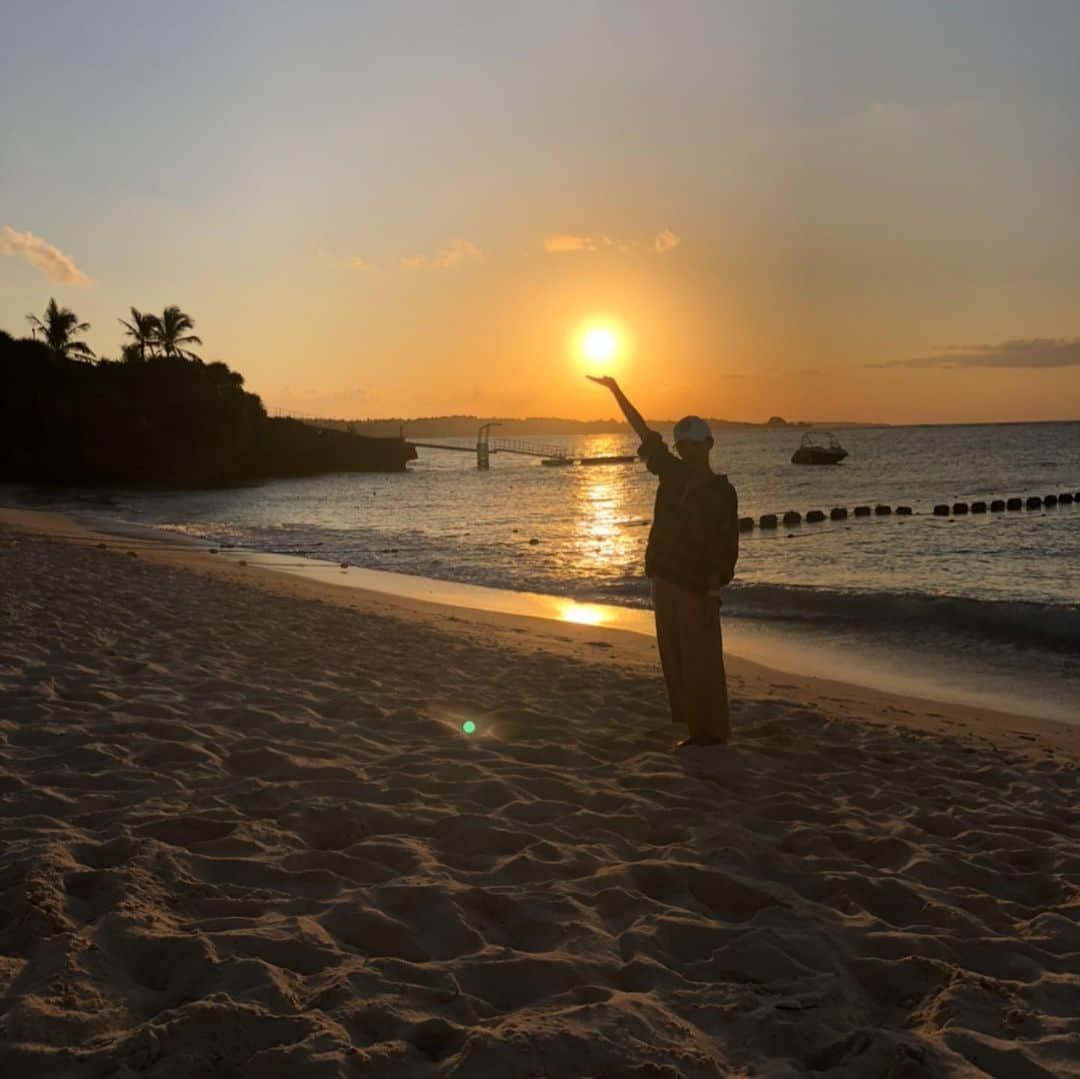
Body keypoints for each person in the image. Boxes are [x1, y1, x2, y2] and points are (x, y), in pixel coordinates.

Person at [588, 376, 738, 746]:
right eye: (683, 444)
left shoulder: (721, 491)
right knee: (676, 661)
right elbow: (644, 434)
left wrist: (715, 587)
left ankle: (714, 732)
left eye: (695, 444)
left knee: (704, 662)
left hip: (697, 586)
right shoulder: (672, 475)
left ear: (709, 445)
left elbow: (726, 544)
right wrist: (616, 391)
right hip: (666, 580)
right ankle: (694, 731)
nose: (688, 450)